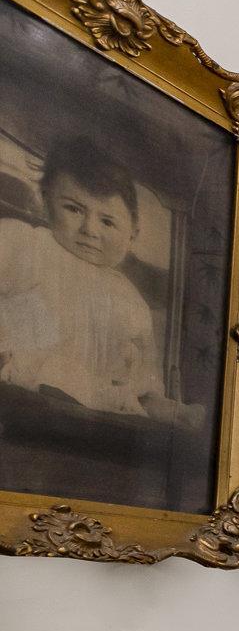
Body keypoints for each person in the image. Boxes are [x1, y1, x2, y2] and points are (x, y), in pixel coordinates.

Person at [0, 136, 201, 430]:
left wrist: (162, 405)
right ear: (44, 202)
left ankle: (175, 415)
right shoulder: (23, 242)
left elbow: (142, 385)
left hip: (98, 420)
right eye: (74, 209)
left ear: (132, 234)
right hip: (16, 394)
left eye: (107, 222)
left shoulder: (131, 302)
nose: (89, 230)